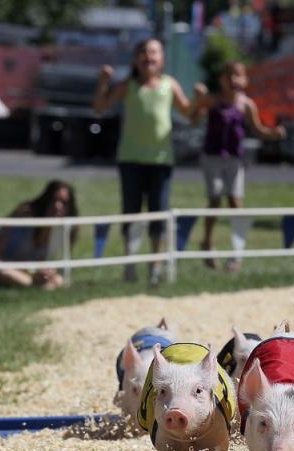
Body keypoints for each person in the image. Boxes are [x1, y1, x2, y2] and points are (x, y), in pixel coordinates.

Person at [93, 37, 198, 285]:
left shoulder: (169, 85)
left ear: (162, 58)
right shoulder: (127, 86)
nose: (148, 57)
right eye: (143, 52)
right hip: (130, 159)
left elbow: (189, 114)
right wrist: (103, 83)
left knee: (158, 214)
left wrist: (200, 101)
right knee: (131, 213)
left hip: (161, 160)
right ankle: (129, 264)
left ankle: (155, 266)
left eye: (154, 52)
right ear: (135, 59)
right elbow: (100, 107)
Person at [193, 61, 286, 272]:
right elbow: (194, 119)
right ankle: (207, 242)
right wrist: (199, 102)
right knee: (215, 198)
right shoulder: (213, 101)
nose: (234, 80)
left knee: (236, 201)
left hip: (235, 159)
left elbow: (258, 129)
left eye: (239, 76)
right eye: (230, 76)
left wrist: (274, 134)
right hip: (213, 156)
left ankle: (237, 252)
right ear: (222, 80)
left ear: (245, 80)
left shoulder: (246, 104)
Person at [0, 180, 79, 289]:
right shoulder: (23, 220)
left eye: (64, 203)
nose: (57, 206)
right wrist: (29, 273)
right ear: (46, 200)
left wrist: (44, 271)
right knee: (0, 269)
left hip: (22, 271)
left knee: (58, 280)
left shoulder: (59, 232)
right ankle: (35, 288)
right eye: (54, 200)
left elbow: (38, 261)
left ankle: (38, 287)